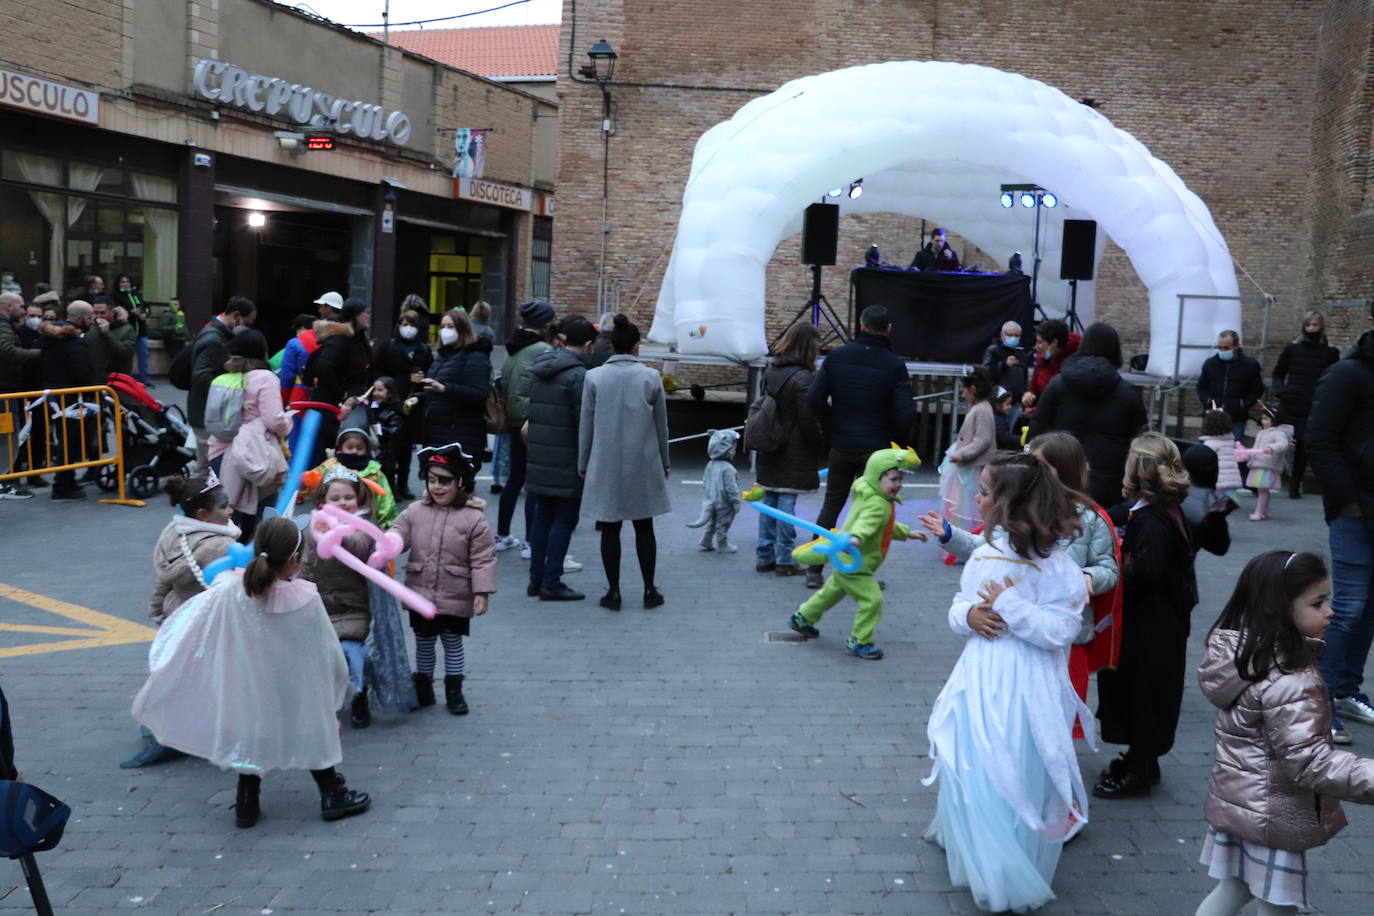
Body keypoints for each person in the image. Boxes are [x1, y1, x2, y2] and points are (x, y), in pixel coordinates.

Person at [924, 451, 1089, 913]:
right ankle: (974, 839)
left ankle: (1005, 859)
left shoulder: (1061, 568)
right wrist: (970, 615)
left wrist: (1012, 607)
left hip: (1029, 682)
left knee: (1014, 760)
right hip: (981, 675)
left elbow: (1061, 631)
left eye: (983, 492)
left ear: (1010, 503)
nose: (975, 499)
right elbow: (959, 605)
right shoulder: (985, 553)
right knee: (976, 754)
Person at [131, 516, 372, 829]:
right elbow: (326, 649)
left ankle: (247, 801)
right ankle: (331, 794)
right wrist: (336, 683)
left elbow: (194, 621)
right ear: (296, 560)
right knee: (314, 730)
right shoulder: (306, 599)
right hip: (295, 686)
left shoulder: (231, 592)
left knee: (252, 734)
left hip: (249, 684)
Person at [1195, 550, 1374, 916]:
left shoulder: (1244, 657)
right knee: (1279, 904)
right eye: (1318, 603)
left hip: (1242, 804)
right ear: (1279, 608)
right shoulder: (1291, 678)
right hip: (1274, 815)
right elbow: (1312, 763)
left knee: (1234, 888)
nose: (1330, 611)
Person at [926, 432, 1120, 725]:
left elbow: (1108, 567)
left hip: (1058, 632)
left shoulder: (1090, 519)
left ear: (1063, 471)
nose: (1032, 472)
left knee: (1055, 709)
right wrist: (951, 537)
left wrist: (1086, 577)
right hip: (1005, 643)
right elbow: (988, 552)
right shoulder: (1013, 518)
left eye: (1040, 466)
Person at [1094, 433, 1196, 798]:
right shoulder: (1163, 511)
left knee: (1142, 694)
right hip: (1160, 622)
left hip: (1150, 627)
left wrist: (1111, 570)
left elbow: (1147, 572)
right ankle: (1143, 760)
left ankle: (1140, 768)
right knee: (1146, 693)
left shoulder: (1152, 521)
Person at [122, 471, 240, 769]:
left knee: (174, 676)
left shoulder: (172, 533)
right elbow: (235, 586)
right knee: (207, 678)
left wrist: (157, 608)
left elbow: (163, 579)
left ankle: (161, 729)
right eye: (224, 507)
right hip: (206, 622)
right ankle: (178, 737)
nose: (231, 510)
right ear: (203, 514)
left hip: (178, 615)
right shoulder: (217, 546)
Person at [805, 305, 914, 588]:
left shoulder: (837, 357)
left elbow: (814, 399)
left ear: (861, 326)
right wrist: (895, 444)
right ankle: (861, 571)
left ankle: (814, 569)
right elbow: (905, 413)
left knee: (832, 503)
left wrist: (832, 426)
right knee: (871, 510)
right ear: (888, 329)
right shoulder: (894, 365)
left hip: (842, 443)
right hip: (877, 449)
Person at [1305, 301, 1374, 745]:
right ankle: (1318, 703)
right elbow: (1320, 439)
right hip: (1355, 510)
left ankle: (1346, 689)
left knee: (1369, 610)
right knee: (1347, 609)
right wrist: (1347, 501)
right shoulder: (1347, 374)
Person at [787, 447, 925, 660]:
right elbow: (867, 524)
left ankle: (802, 618)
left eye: (900, 479)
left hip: (847, 559)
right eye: (893, 479)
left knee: (831, 592)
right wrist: (856, 538)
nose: (898, 485)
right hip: (857, 565)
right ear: (877, 477)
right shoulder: (878, 504)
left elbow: (883, 526)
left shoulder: (871, 495)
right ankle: (860, 641)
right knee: (872, 601)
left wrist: (908, 533)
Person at [391, 443, 497, 716]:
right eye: (432, 480)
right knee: (424, 641)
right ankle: (423, 687)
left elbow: (483, 557)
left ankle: (454, 689)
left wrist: (481, 592)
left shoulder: (473, 518)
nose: (437, 487)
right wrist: (389, 544)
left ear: (461, 483)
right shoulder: (415, 511)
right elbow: (399, 531)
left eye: (445, 481)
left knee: (452, 641)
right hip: (420, 591)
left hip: (456, 592)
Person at [579, 314, 671, 611]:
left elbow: (586, 426)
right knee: (645, 527)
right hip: (642, 462)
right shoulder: (651, 377)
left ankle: (614, 592)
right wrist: (665, 462)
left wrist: (583, 461)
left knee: (609, 528)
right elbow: (661, 426)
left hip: (604, 462)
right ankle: (649, 589)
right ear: (637, 347)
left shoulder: (593, 377)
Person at [1029, 322, 1149, 508]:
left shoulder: (1057, 385)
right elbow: (1141, 443)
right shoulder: (1128, 393)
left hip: (1060, 480)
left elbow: (1036, 432)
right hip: (1110, 485)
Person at [524, 314, 598, 601]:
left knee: (542, 518)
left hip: (540, 456)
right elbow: (585, 423)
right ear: (588, 345)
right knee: (564, 521)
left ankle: (536, 579)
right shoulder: (578, 376)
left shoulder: (541, 368)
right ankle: (552, 581)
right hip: (567, 460)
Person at [301, 467, 379, 729]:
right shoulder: (312, 527)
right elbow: (307, 565)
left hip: (353, 605)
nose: (343, 503)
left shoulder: (362, 526)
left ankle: (359, 694)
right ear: (323, 502)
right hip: (321, 604)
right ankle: (328, 703)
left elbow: (359, 545)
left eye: (348, 497)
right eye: (336, 499)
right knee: (323, 657)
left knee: (351, 651)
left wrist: (336, 536)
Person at [752, 322, 825, 576]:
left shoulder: (773, 368)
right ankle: (785, 559)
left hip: (770, 442)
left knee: (769, 499)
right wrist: (820, 441)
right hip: (793, 448)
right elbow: (808, 419)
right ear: (807, 347)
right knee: (785, 504)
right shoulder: (804, 378)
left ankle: (764, 556)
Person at [210, 329, 291, 541]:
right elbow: (273, 419)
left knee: (228, 510)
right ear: (263, 353)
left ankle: (225, 557)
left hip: (221, 449)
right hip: (256, 452)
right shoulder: (266, 377)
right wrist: (288, 424)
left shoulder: (225, 377)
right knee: (264, 510)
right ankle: (256, 559)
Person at [495, 299, 556, 553]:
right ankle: (531, 541)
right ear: (544, 323)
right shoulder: (542, 349)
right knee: (534, 483)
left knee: (515, 479)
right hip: (533, 421)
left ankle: (502, 535)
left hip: (512, 418)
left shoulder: (513, 348)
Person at [1272, 312, 1339, 498]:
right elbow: (1278, 372)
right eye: (1308, 325)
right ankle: (1266, 478)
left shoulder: (1330, 352)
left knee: (1303, 445)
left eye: (1315, 325)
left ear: (1321, 327)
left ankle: (1295, 483)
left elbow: (1334, 377)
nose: (1311, 329)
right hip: (1289, 402)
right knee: (1277, 440)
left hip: (1312, 405)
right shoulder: (1292, 349)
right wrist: (1281, 391)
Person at [188, 297, 257, 469]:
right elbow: (201, 375)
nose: (246, 329)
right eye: (247, 323)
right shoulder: (214, 339)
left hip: (205, 410)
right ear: (236, 316)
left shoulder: (215, 333)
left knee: (208, 468)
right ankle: (195, 495)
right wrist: (228, 390)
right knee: (206, 469)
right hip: (206, 411)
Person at [303, 298, 372, 465]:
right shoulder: (340, 338)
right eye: (365, 312)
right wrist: (342, 394)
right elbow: (324, 368)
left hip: (348, 406)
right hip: (331, 408)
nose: (369, 316)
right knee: (327, 455)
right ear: (355, 315)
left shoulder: (358, 338)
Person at [36, 302, 94, 500]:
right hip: (68, 396)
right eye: (90, 317)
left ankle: (67, 478)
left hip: (49, 393)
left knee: (64, 440)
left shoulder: (48, 337)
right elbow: (81, 372)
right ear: (79, 318)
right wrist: (87, 389)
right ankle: (62, 484)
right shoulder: (73, 341)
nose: (92, 322)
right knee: (69, 442)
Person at [371, 308, 431, 498]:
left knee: (406, 447)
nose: (408, 329)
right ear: (398, 325)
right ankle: (390, 485)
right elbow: (376, 370)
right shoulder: (388, 347)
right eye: (405, 324)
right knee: (390, 447)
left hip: (413, 404)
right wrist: (383, 389)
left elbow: (430, 372)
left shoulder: (423, 349)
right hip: (390, 404)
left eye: (412, 325)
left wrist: (422, 379)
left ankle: (403, 484)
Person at [421, 308, 492, 469]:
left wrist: (445, 389)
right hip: (437, 431)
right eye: (443, 326)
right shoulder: (442, 356)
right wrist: (419, 396)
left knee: (457, 487)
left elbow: (480, 393)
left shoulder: (475, 356)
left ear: (463, 329)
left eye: (451, 326)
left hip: (461, 433)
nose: (445, 331)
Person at [939, 366, 997, 546]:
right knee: (966, 505)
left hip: (974, 467)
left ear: (972, 389)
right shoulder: (981, 408)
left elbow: (982, 440)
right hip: (971, 466)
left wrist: (961, 454)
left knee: (970, 506)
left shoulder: (981, 410)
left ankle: (967, 541)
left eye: (964, 390)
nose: (962, 394)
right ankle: (963, 540)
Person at [301, 425, 396, 528]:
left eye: (360, 448)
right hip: (332, 521)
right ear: (341, 448)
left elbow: (385, 499)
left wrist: (384, 524)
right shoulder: (329, 466)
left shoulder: (375, 472)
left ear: (367, 449)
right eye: (349, 447)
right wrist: (302, 482)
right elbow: (311, 487)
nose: (354, 451)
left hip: (364, 523)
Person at [0, 292, 39, 499]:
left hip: (5, 391)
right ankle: (6, 483)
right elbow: (6, 350)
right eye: (21, 306)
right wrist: (39, 354)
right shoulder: (3, 326)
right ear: (9, 306)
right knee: (6, 441)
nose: (23, 310)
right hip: (4, 393)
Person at [1197, 330, 1266, 441]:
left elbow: (1257, 390)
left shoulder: (1250, 365)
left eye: (1226, 348)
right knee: (1208, 451)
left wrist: (1243, 404)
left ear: (1236, 346)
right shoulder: (1210, 364)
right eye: (1220, 347)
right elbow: (1201, 387)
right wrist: (1209, 402)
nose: (1222, 351)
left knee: (1233, 451)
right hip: (1213, 418)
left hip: (1236, 418)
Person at [686, 429, 742, 553]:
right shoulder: (728, 469)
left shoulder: (710, 464)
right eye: (733, 448)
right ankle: (722, 544)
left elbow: (705, 482)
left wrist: (708, 497)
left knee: (711, 521)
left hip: (710, 500)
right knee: (723, 523)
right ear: (726, 449)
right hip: (725, 503)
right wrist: (736, 502)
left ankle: (706, 540)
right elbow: (731, 488)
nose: (734, 451)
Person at [1235, 406, 1293, 522]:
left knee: (1262, 490)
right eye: (1263, 418)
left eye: (1266, 419)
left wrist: (1271, 448)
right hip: (1260, 464)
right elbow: (1256, 449)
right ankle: (1264, 512)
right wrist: (1246, 455)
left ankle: (1259, 512)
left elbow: (1283, 444)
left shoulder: (1278, 433)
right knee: (1263, 490)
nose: (1263, 421)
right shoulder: (1262, 432)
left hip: (1266, 465)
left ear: (1274, 421)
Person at [1181, 444, 1239, 559]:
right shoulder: (1209, 505)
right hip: (1181, 571)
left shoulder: (1163, 495)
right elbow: (1219, 547)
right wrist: (1218, 517)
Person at [1021, 319, 1079, 410]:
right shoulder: (1042, 359)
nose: (1036, 346)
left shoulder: (1074, 364)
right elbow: (1034, 389)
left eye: (1040, 342)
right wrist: (1029, 396)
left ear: (1054, 343)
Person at [111, 274, 151, 385]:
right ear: (118, 284)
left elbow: (147, 307)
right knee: (125, 356)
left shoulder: (136, 294)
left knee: (143, 355)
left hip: (141, 330)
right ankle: (125, 379)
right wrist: (131, 313)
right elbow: (115, 312)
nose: (125, 284)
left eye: (127, 282)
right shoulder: (115, 296)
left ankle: (144, 379)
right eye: (122, 282)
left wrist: (145, 314)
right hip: (126, 331)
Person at [86, 296, 133, 381]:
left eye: (102, 313)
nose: (98, 316)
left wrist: (107, 333)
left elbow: (126, 353)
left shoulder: (127, 329)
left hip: (115, 379)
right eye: (95, 313)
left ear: (113, 312)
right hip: (93, 379)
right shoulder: (90, 327)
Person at [982, 320, 1029, 404]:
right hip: (997, 402)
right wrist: (1004, 364)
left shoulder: (1021, 353)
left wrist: (1024, 393)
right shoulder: (993, 350)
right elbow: (985, 373)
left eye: (1017, 335)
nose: (1013, 338)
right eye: (1010, 335)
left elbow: (1024, 377)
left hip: (1014, 403)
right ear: (1002, 335)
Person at [1199, 409, 1243, 497]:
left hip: (1217, 482)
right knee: (1228, 507)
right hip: (1232, 481)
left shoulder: (1210, 444)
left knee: (1216, 507)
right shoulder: (1230, 441)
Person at [156, 295, 188, 366]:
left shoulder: (181, 314)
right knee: (175, 359)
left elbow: (183, 326)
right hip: (172, 339)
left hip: (181, 339)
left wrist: (186, 334)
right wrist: (174, 328)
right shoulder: (167, 314)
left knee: (181, 359)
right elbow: (163, 328)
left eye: (176, 304)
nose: (175, 306)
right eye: (173, 304)